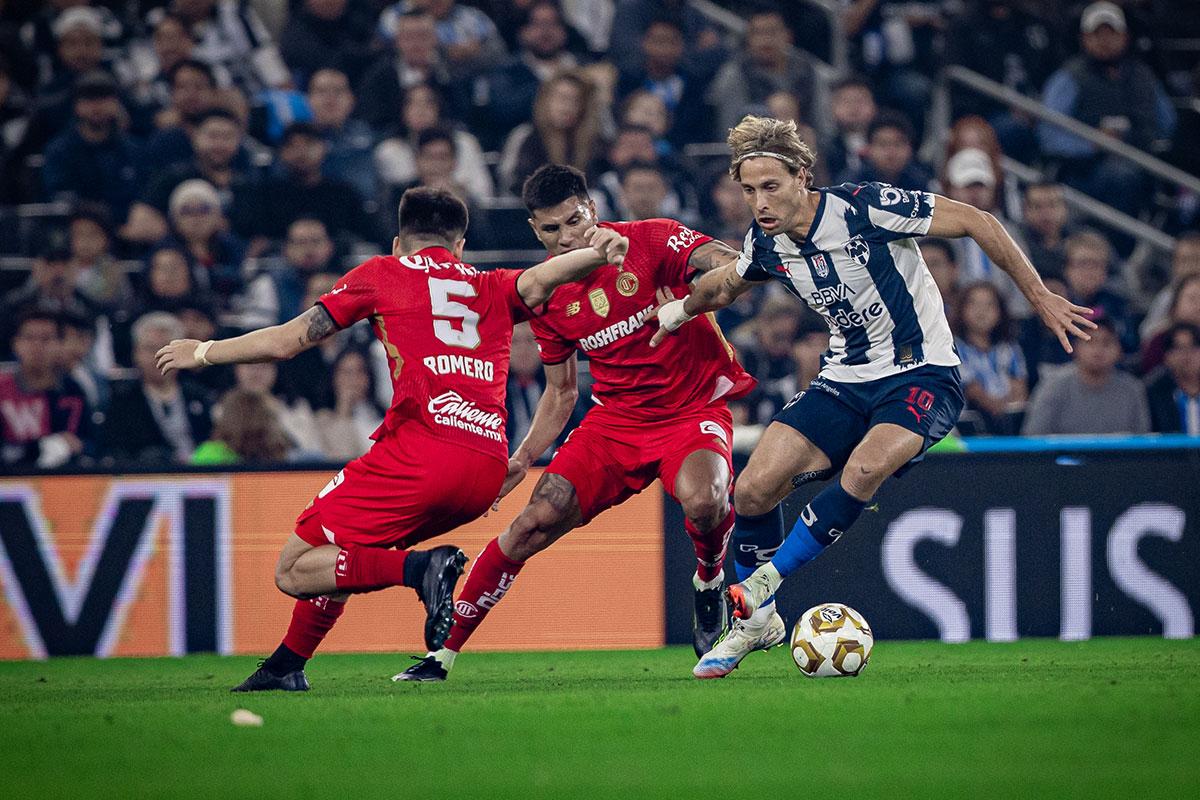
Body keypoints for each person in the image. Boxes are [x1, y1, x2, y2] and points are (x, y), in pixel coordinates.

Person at [649, 115, 1092, 677]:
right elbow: (726, 284)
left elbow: (977, 220)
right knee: (753, 490)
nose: (759, 202)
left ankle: (764, 582)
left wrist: (1039, 295)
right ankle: (759, 622)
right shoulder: (767, 242)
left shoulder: (864, 206)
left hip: (922, 373)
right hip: (845, 378)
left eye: (771, 186)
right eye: (749, 190)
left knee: (863, 470)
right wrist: (677, 311)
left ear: (802, 176)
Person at [155, 186, 629, 691]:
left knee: (294, 568)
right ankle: (286, 664)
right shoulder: (491, 284)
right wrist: (602, 249)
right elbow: (542, 277)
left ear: (399, 242)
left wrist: (203, 351)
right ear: (460, 246)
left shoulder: (384, 272)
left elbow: (288, 341)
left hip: (422, 456)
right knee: (346, 557)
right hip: (485, 468)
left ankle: (423, 569)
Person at [398, 165, 756, 683]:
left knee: (705, 501)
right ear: (534, 229)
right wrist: (522, 457)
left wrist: (691, 298)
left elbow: (731, 263)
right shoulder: (546, 294)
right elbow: (562, 391)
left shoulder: (651, 239)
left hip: (691, 410)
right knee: (533, 522)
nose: (566, 237)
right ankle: (442, 655)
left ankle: (709, 580)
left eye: (574, 221)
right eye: (552, 229)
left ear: (593, 208)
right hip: (614, 424)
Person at [103, 311, 213, 465]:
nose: (158, 356)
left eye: (165, 349)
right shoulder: (121, 401)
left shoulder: (199, 396)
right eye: (150, 348)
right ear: (136, 353)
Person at [1021, 316, 1149, 435]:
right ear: (1076, 347)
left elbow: (1142, 440)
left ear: (1119, 350)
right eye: (1090, 341)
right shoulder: (1053, 386)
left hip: (1119, 453)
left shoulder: (1132, 389)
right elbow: (1034, 437)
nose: (1098, 350)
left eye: (1106, 343)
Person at [1, 310, 92, 469]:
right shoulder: (2, 389)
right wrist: (38, 448)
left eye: (46, 339)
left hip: (61, 477)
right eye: (29, 338)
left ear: (59, 344)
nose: (37, 346)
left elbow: (88, 442)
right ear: (16, 343)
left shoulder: (72, 390)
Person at [954, 281, 1028, 435]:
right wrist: (996, 407)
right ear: (962, 309)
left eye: (989, 305)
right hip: (967, 423)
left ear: (1001, 312)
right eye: (974, 304)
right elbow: (972, 391)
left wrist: (1008, 407)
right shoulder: (953, 348)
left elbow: (1020, 386)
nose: (981, 311)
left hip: (1009, 422)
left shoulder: (1009, 348)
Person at [1145, 323, 1200, 435]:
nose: (1187, 355)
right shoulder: (1153, 394)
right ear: (1167, 356)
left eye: (1193, 347)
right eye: (1178, 348)